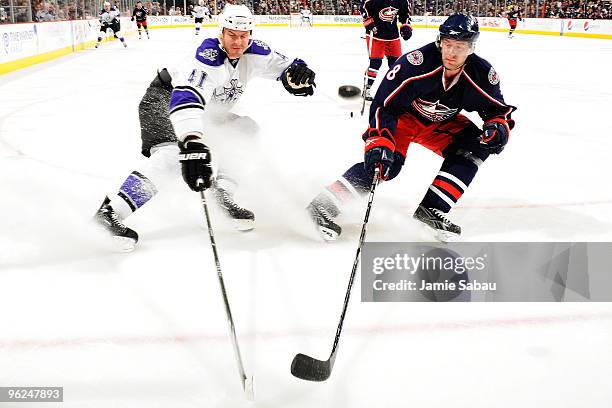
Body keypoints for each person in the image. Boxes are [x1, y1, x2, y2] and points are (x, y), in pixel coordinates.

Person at [94, 4, 316, 251]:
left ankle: (221, 195)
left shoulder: (256, 51)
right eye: (232, 34)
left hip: (207, 110)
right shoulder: (207, 57)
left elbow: (286, 66)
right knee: (173, 155)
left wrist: (297, 74)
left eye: (243, 36)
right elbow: (187, 97)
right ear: (221, 32)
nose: (238, 42)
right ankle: (110, 212)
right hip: (165, 99)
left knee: (244, 130)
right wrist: (191, 140)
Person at [307, 13, 516, 242]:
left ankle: (432, 209)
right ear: (440, 42)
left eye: (460, 46)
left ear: (471, 47)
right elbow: (384, 104)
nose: (452, 53)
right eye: (447, 45)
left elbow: (497, 110)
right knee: (385, 164)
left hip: (441, 124)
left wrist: (498, 127)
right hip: (402, 119)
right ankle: (322, 206)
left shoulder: (482, 74)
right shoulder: (415, 63)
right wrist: (380, 139)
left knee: (477, 146)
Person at [360, 0, 412, 101]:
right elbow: (364, 8)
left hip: (393, 36)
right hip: (376, 35)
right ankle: (367, 88)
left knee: (396, 65)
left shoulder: (403, 1)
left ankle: (395, 89)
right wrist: (369, 23)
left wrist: (406, 27)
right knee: (375, 63)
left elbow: (405, 14)